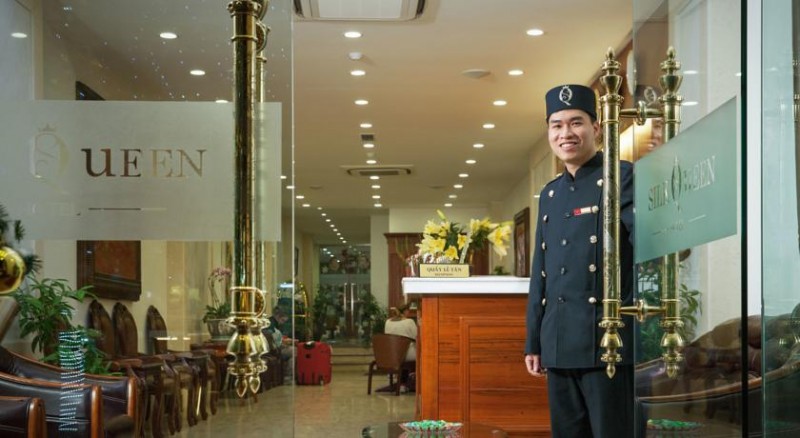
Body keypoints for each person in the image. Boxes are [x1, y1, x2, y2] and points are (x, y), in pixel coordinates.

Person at [524, 84, 637, 437]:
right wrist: (534, 341)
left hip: (606, 342)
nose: (566, 133)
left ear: (596, 128)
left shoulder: (621, 176)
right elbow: (541, 273)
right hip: (558, 343)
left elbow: (645, 254)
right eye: (556, 125)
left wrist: (628, 327)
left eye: (576, 123)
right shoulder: (550, 193)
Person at [383, 305, 418, 392]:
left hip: (392, 354)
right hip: (407, 354)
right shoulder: (409, 322)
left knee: (404, 355)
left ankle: (403, 383)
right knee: (420, 354)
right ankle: (413, 380)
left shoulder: (388, 322)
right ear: (406, 311)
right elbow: (417, 336)